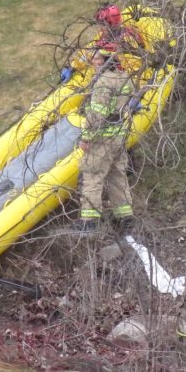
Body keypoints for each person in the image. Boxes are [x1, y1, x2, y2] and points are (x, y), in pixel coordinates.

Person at [74, 46, 137, 234]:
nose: (93, 62)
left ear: (106, 60)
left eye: (97, 59)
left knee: (92, 175)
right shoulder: (124, 78)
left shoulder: (103, 83)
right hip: (119, 136)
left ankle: (89, 221)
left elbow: (96, 116)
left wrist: (86, 138)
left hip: (102, 139)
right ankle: (125, 218)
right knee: (118, 175)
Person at [60, 4, 143, 83]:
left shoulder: (127, 39)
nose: (100, 28)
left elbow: (136, 66)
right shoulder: (105, 36)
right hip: (110, 74)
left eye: (102, 25)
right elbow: (89, 51)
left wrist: (109, 58)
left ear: (110, 25)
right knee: (96, 54)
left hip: (122, 78)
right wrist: (71, 67)